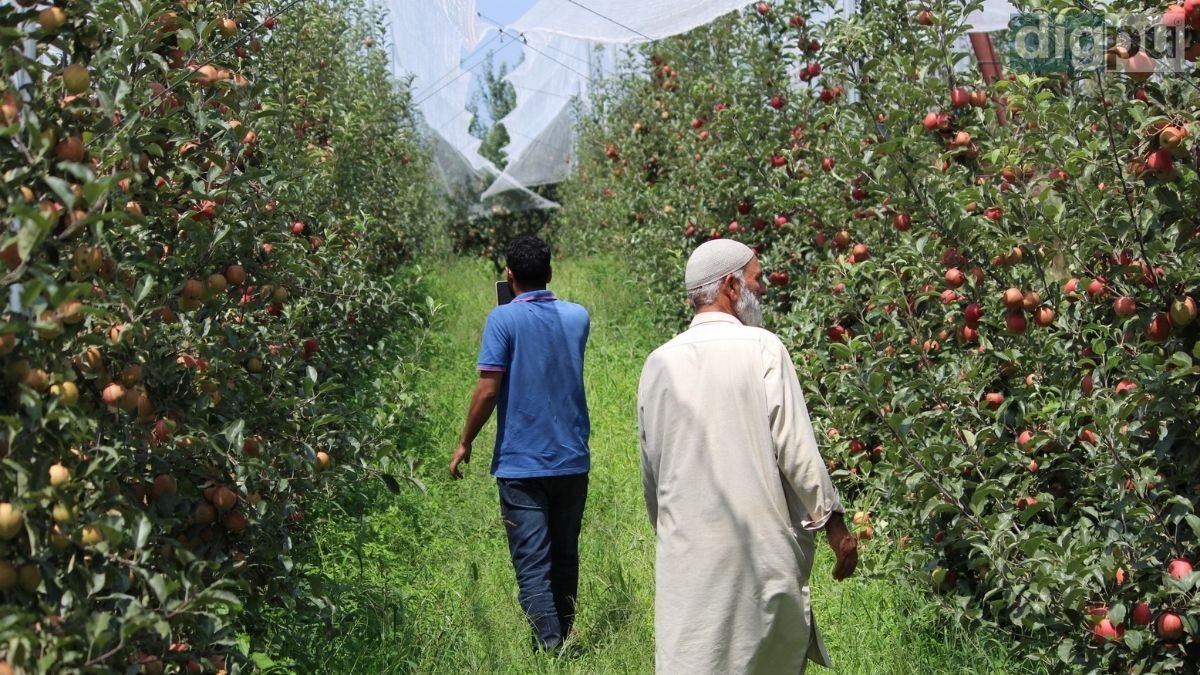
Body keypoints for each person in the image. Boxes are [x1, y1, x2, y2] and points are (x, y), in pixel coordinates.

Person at [636, 238, 858, 674]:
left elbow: (652, 470)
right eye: (757, 279)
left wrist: (672, 535)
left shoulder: (657, 364)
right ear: (732, 289)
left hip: (689, 557)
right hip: (760, 553)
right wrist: (836, 527)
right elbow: (798, 451)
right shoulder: (763, 348)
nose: (764, 289)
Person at [449, 234, 591, 652]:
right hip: (571, 458)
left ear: (508, 276)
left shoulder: (502, 321)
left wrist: (464, 442)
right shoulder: (578, 316)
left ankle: (550, 649)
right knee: (565, 555)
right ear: (550, 273)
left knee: (532, 564)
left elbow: (488, 390)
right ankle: (563, 638)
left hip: (522, 463)